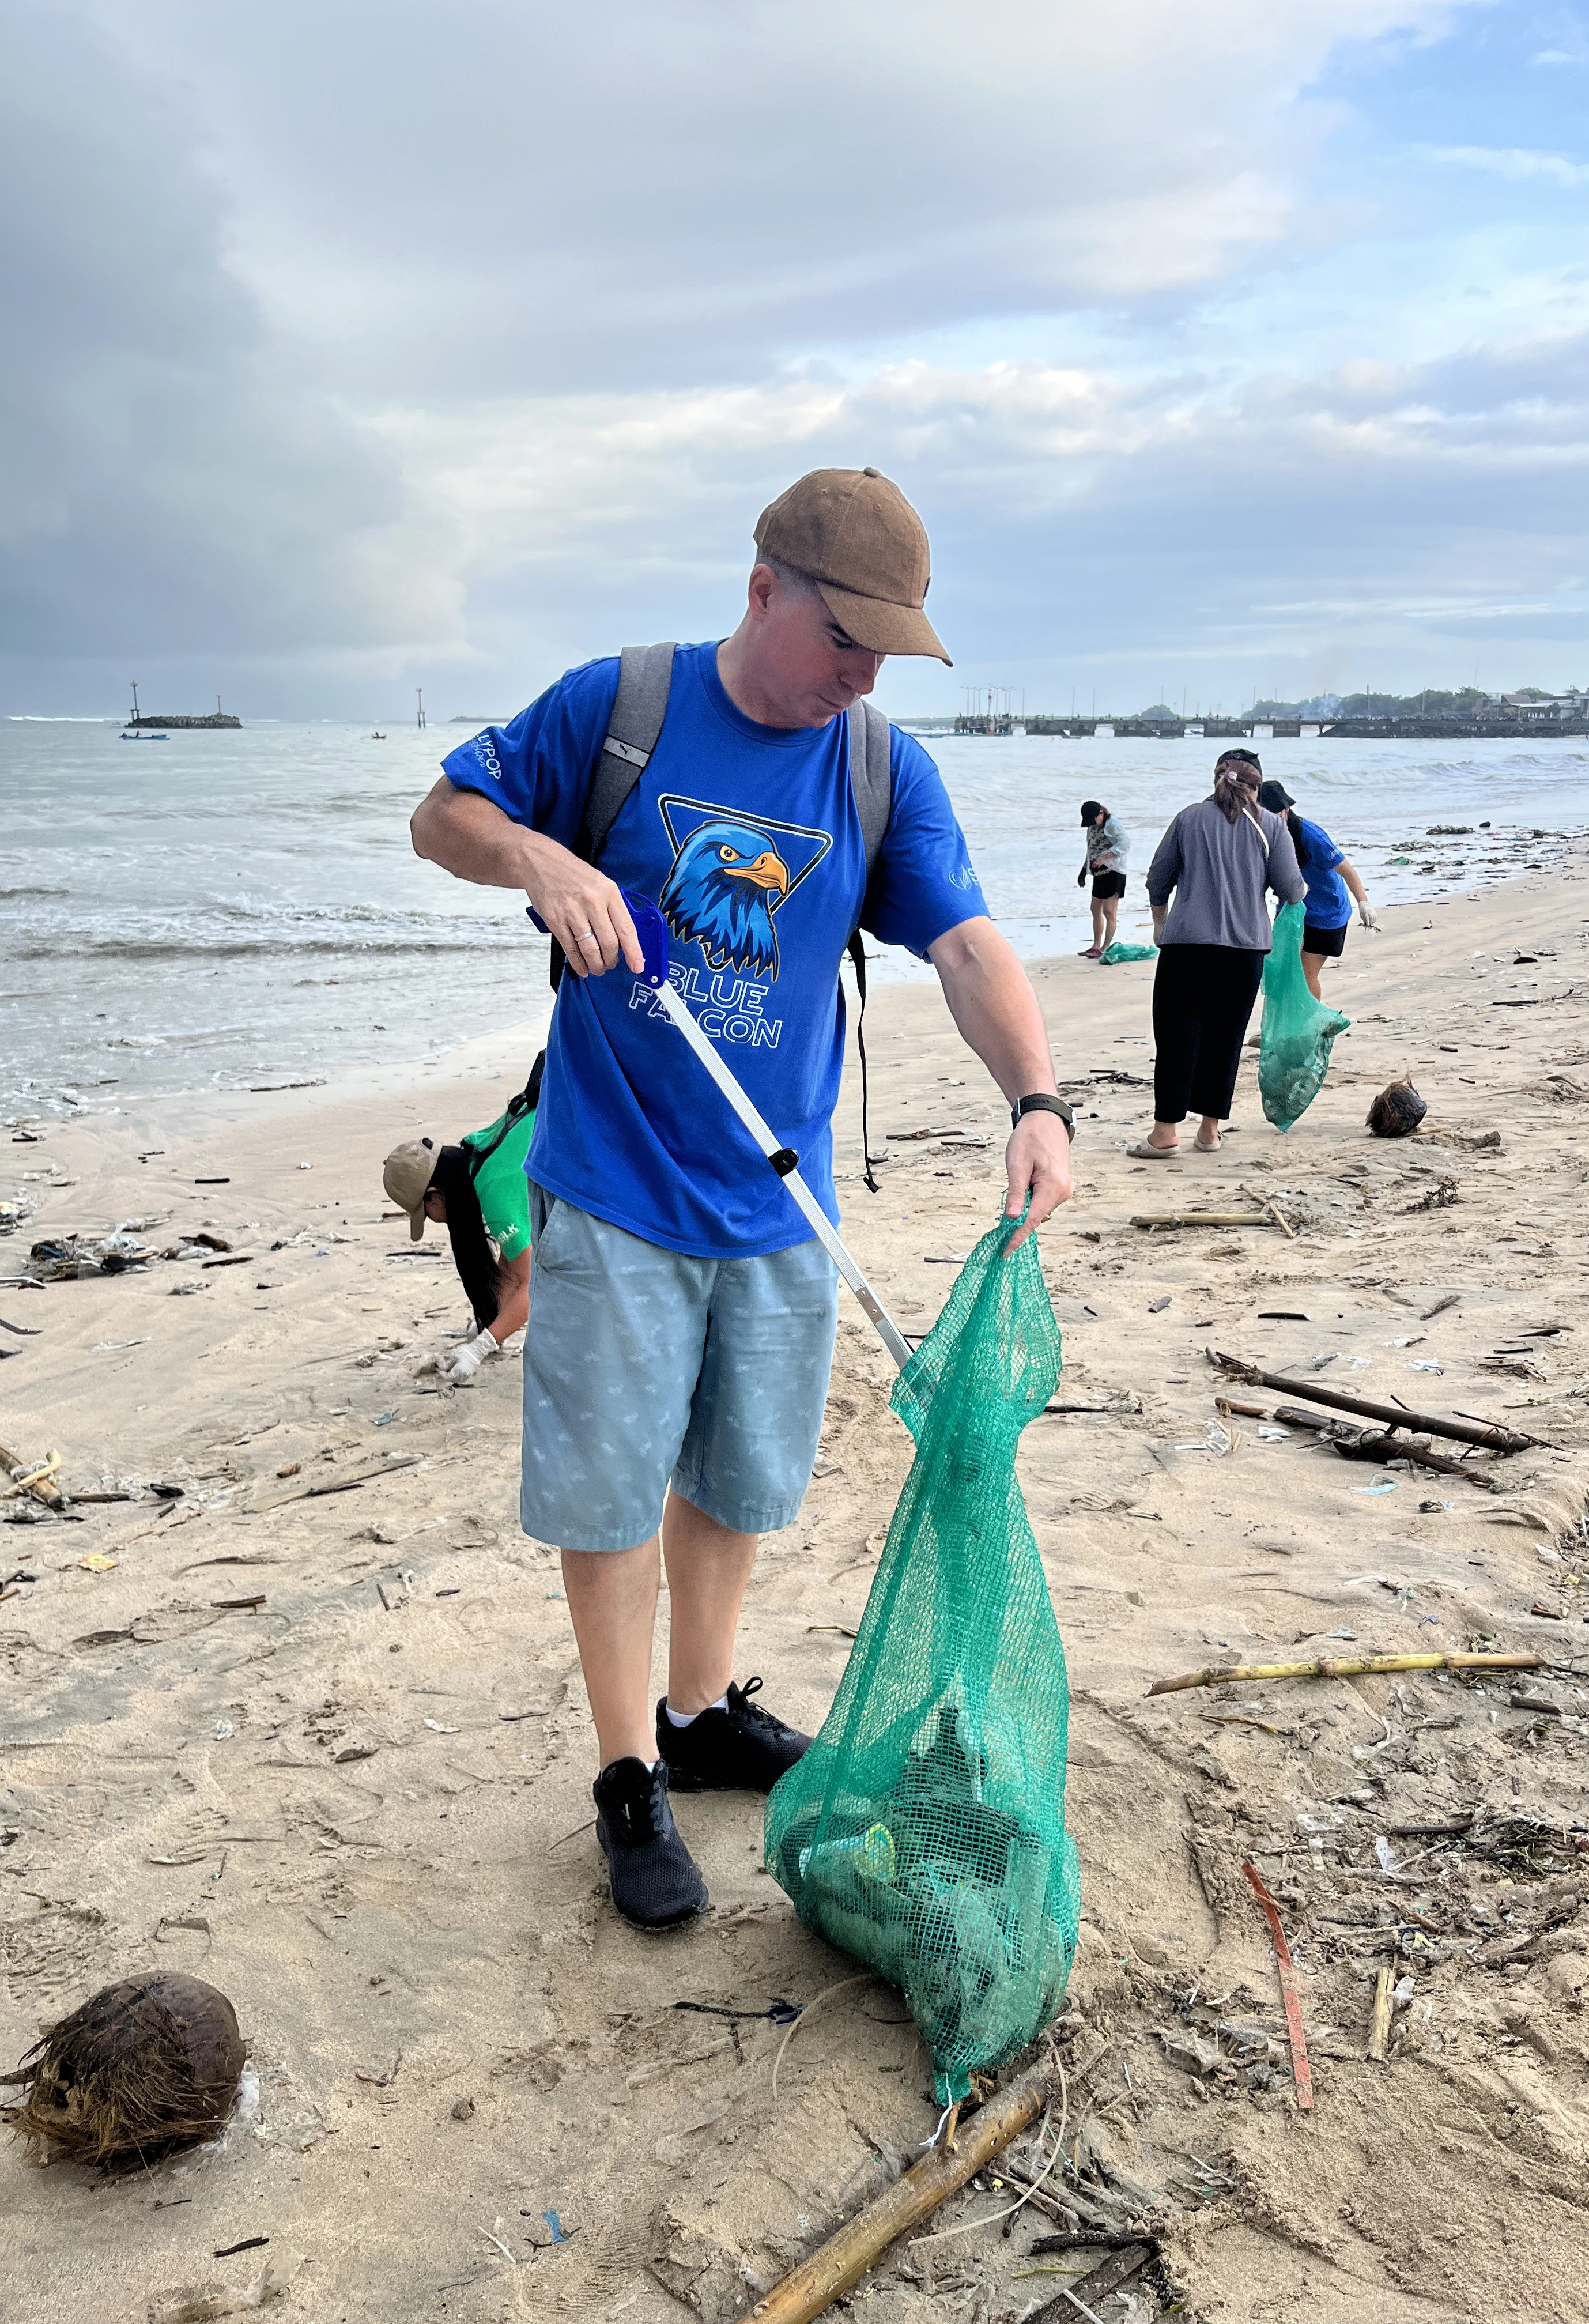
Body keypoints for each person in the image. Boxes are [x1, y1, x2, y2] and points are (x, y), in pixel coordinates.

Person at [407, 467, 1074, 1933]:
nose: (862, 673)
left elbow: (962, 944)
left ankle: (703, 1710)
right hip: (617, 1182)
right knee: (610, 1490)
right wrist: (542, 857)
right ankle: (630, 1773)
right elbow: (442, 815)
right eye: (847, 638)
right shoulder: (620, 705)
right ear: (763, 586)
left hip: (782, 1203)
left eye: (888, 651)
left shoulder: (879, 766)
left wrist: (1034, 1099)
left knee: (734, 1478)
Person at [1128, 750, 1305, 1158]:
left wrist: (1160, 923)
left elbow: (1158, 878)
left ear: (1216, 780)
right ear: (1257, 788)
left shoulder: (1189, 818)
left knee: (1176, 1037)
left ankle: (1165, 1133)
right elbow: (1292, 890)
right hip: (1247, 950)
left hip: (1188, 945)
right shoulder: (1271, 829)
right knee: (1226, 1038)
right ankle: (1209, 1131)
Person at [382, 1052, 543, 1378]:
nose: (432, 1221)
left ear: (435, 1196)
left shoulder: (494, 1191)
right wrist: (487, 1327)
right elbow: (511, 1270)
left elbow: (533, 1284)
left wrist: (482, 1348)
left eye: (425, 1213)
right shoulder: (477, 1152)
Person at [1255, 778, 1378, 999]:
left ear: (1286, 810)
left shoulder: (1311, 836)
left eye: (1272, 814)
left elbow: (1347, 870)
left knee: (1304, 974)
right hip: (1292, 911)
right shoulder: (1261, 835)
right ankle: (1282, 1028)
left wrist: (1363, 902)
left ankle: (1311, 1029)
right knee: (1282, 972)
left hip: (1327, 912)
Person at [1076, 799, 1130, 959]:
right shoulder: (1092, 827)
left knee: (1109, 912)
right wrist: (1083, 870)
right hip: (1098, 873)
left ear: (1101, 813)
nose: (1092, 825)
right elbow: (1092, 848)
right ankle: (1096, 945)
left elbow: (1125, 844)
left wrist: (1104, 858)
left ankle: (1106, 948)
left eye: (1093, 820)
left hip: (1114, 871)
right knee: (1095, 909)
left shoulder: (1112, 824)